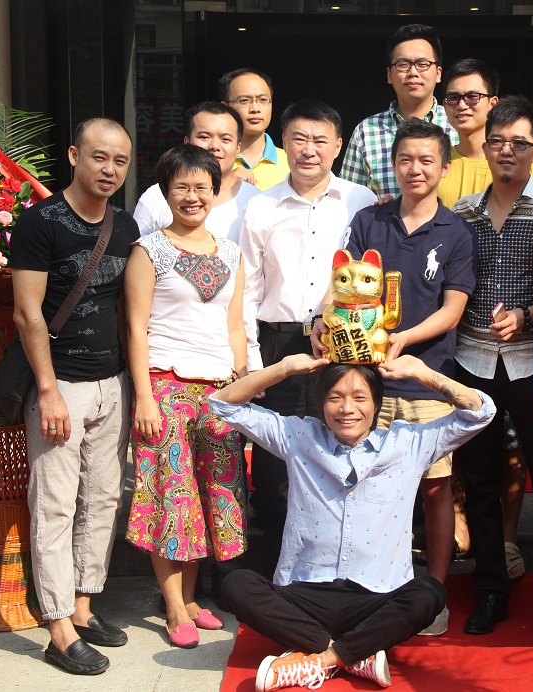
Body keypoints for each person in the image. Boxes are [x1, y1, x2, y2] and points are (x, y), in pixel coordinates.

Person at [211, 353, 495, 691]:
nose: (347, 409)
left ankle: (322, 658)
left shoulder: (409, 443)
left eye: (360, 397)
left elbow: (481, 412)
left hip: (376, 597)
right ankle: (355, 654)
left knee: (429, 593)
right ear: (321, 403)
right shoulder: (298, 436)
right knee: (237, 584)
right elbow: (222, 404)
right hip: (305, 595)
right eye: (335, 398)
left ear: (376, 403)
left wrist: (423, 374)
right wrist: (285, 368)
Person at [314, 119, 476, 637]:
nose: (415, 169)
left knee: (436, 490)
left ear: (444, 168)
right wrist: (322, 319)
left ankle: (434, 596)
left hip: (427, 381)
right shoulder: (369, 220)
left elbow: (453, 310)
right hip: (367, 385)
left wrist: (403, 341)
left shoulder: (456, 233)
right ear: (393, 164)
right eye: (406, 159)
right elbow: (340, 285)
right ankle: (370, 591)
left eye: (427, 160)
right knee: (365, 487)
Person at [451, 96, 533, 638]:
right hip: (472, 361)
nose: (508, 151)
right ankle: (490, 590)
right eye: (498, 142)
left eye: (519, 143)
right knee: (480, 484)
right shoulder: (461, 213)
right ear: (485, 148)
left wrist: (526, 317)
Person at [10, 118, 138, 676]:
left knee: (104, 498)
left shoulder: (125, 225)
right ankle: (58, 627)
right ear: (73, 156)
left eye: (120, 161)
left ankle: (84, 606)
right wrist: (47, 391)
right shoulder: (40, 223)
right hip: (60, 384)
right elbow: (27, 313)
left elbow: (127, 310)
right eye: (98, 157)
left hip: (113, 383)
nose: (109, 170)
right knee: (56, 504)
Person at [238, 99, 377, 578]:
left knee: (341, 451)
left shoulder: (361, 201)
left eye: (320, 140)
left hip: (341, 345)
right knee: (275, 464)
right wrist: (253, 362)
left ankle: (338, 570)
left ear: (338, 147)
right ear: (284, 143)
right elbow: (248, 288)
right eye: (299, 138)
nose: (309, 149)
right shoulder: (261, 206)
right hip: (277, 344)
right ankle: (279, 572)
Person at [123, 144, 248, 649]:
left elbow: (235, 327)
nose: (192, 196)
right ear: (165, 192)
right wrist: (144, 397)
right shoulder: (148, 250)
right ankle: (174, 606)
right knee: (171, 497)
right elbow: (135, 329)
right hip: (166, 385)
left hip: (218, 391)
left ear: (215, 192)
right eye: (181, 187)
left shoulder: (231, 253)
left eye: (201, 187)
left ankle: (192, 599)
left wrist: (240, 388)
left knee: (207, 496)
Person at [340, 24, 457, 199]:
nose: (413, 72)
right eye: (403, 65)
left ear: (438, 73)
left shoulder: (457, 124)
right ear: (389, 75)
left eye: (422, 64)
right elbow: (350, 200)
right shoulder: (366, 131)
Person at [133, 102, 260, 243]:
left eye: (225, 139)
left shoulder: (256, 201)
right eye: (204, 137)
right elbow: (139, 249)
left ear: (238, 147)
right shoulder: (156, 196)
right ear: (187, 142)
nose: (214, 146)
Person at [437, 59, 533, 209]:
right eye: (453, 98)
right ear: (444, 105)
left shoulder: (522, 159)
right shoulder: (436, 164)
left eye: (472, 97)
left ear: (493, 103)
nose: (462, 105)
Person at [220, 68, 290, 190]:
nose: (255, 109)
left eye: (263, 100)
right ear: (225, 107)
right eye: (244, 100)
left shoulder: (291, 162)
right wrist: (225, 182)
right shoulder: (212, 160)